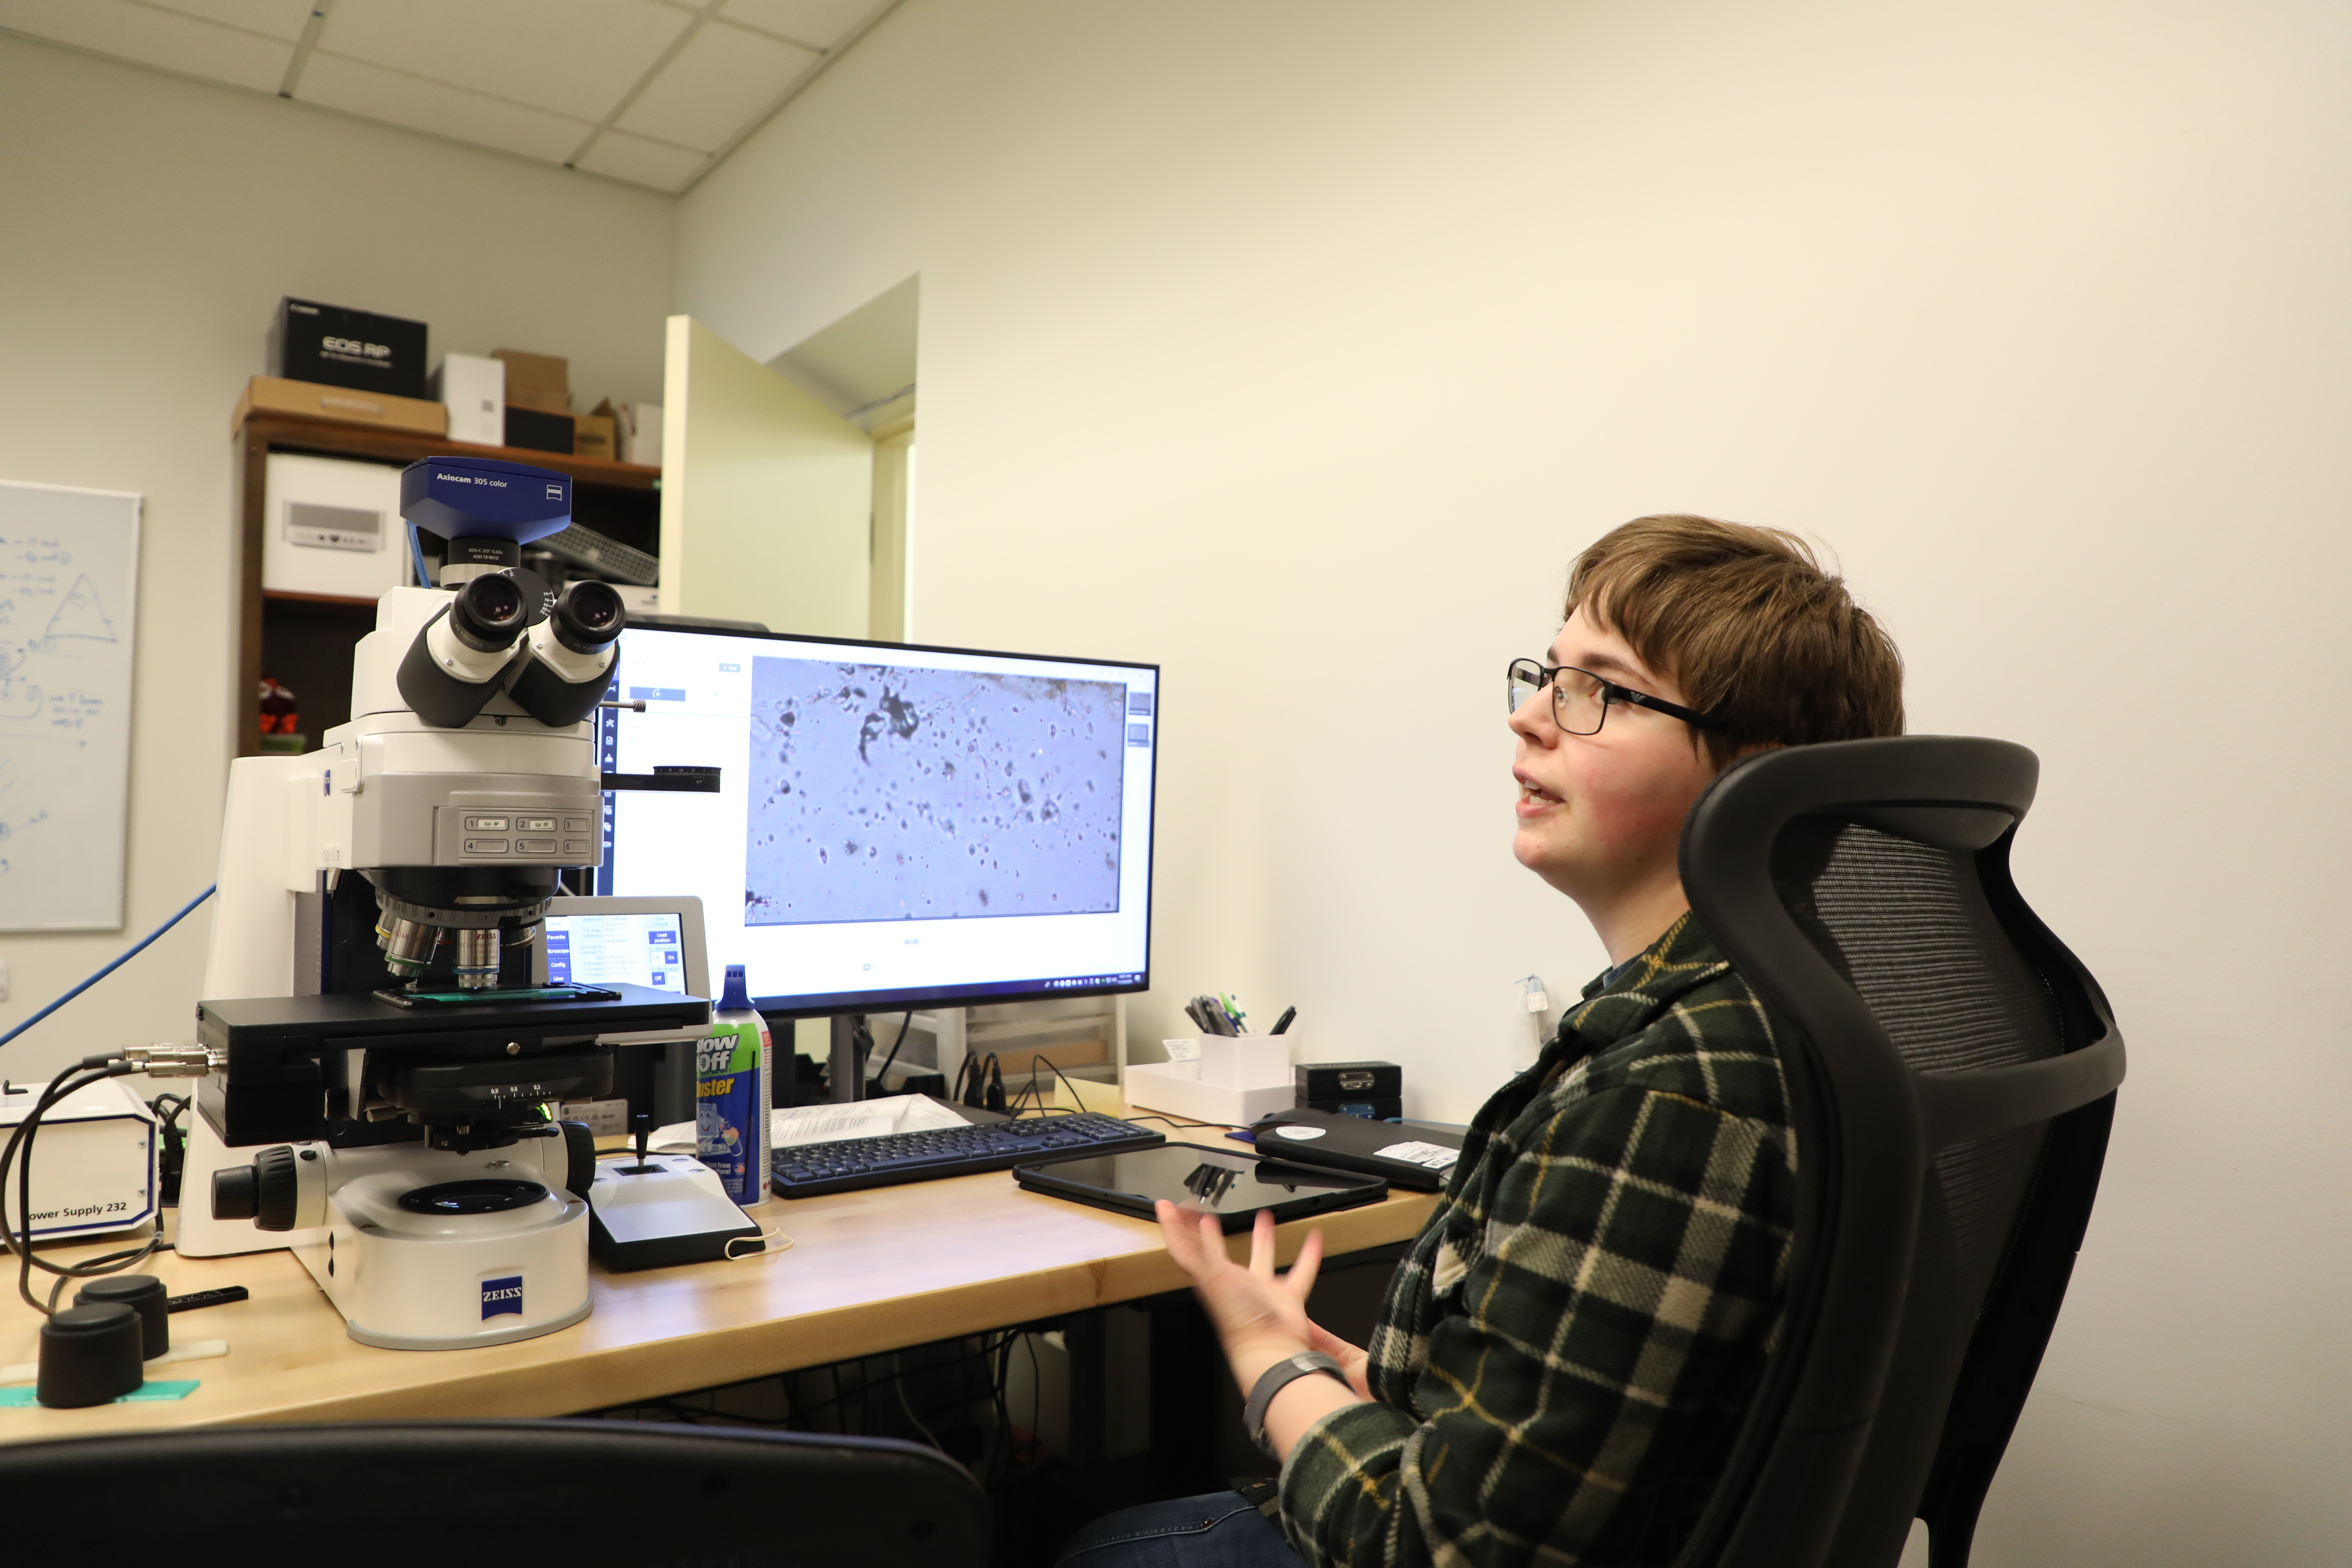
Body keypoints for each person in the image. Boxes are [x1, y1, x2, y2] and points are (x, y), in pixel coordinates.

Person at [1055, 515, 1905, 1568]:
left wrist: (1266, 1351)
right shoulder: (1755, 1015)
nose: (1528, 720)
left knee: (1100, 1548)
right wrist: (1362, 1378)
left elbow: (1432, 1547)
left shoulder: (1669, 1092)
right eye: (1545, 676)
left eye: (1598, 689)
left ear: (1753, 783)